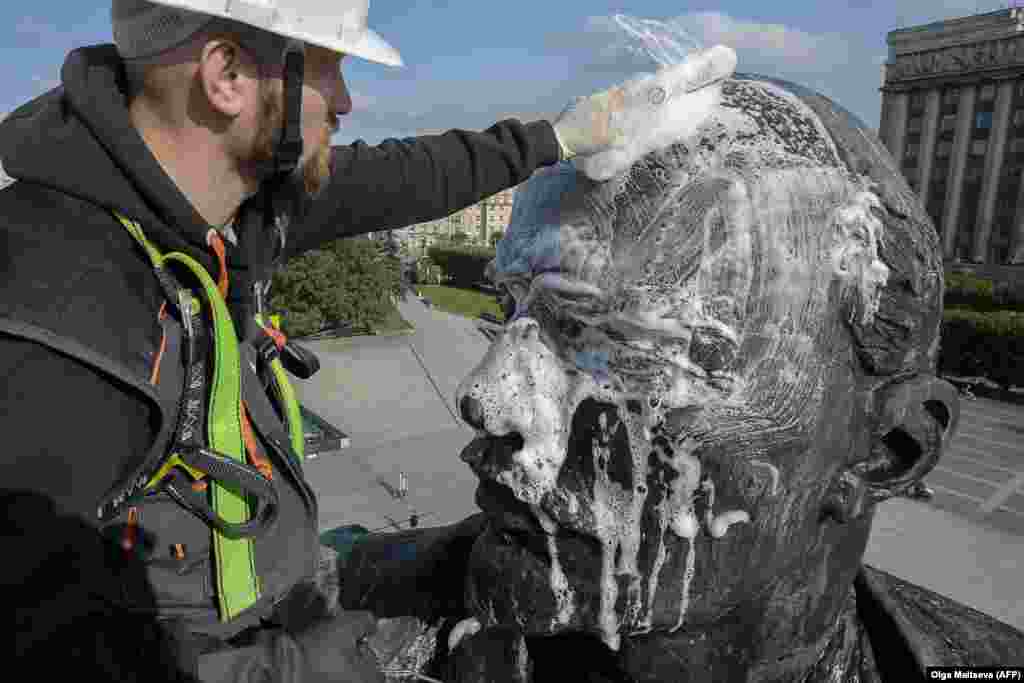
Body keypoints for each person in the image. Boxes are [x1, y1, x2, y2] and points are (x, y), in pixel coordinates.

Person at [0, 1, 738, 681]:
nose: (347, 102)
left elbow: (406, 175)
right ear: (226, 75)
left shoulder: (221, 209)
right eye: (329, 68)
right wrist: (297, 668)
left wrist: (566, 135)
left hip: (263, 610)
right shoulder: (54, 311)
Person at [338, 73, 1024, 681]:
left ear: (886, 452)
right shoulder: (341, 612)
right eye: (512, 310)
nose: (484, 396)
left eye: (621, 340)